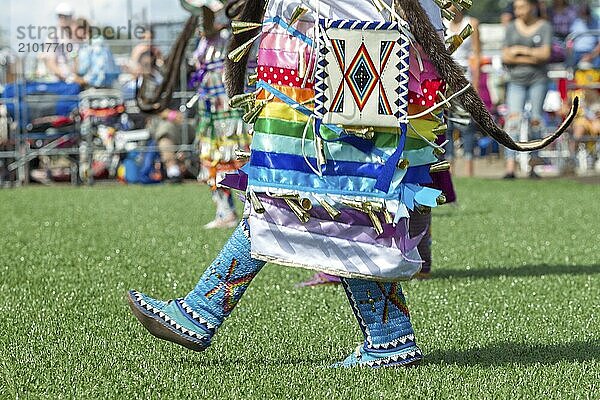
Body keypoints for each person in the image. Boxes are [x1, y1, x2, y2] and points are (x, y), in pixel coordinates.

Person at [127, 0, 573, 368]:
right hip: (362, 62)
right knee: (342, 203)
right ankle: (387, 336)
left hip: (351, 64)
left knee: (308, 197)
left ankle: (204, 310)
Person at [194, 8, 249, 229]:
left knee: (241, 159)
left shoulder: (230, 37)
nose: (202, 23)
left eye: (207, 16)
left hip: (234, 112)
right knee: (213, 161)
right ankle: (224, 212)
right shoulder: (203, 44)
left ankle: (251, 212)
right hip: (211, 113)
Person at [502, 0, 552, 179]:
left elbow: (546, 55)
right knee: (513, 120)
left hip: (538, 80)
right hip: (515, 80)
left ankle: (534, 165)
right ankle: (510, 167)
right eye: (516, 8)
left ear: (532, 6)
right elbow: (505, 56)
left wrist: (519, 51)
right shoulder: (511, 27)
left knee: (536, 120)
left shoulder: (544, 26)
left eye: (522, 7)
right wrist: (533, 54)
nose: (518, 11)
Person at [444, 4, 481, 177]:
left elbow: (477, 54)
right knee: (447, 124)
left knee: (466, 124)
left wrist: (477, 82)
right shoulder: (441, 22)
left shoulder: (472, 23)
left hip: (465, 76)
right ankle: (449, 167)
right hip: (445, 76)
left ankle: (469, 169)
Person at [569, 4, 600, 69]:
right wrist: (569, 51)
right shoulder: (576, 22)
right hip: (576, 52)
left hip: (592, 52)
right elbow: (570, 40)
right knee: (570, 65)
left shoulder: (597, 23)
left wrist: (591, 56)